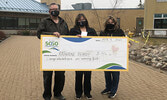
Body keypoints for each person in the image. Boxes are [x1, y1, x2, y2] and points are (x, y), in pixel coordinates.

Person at [37, 3, 69, 100]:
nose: (54, 10)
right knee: (47, 76)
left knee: (60, 76)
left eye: (56, 9)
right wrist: (52, 34)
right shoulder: (44, 21)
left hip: (60, 54)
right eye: (52, 9)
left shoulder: (63, 22)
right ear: (49, 11)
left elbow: (68, 35)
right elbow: (39, 33)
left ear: (59, 10)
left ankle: (58, 93)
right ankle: (47, 95)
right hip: (49, 54)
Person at [69, 13, 97, 100]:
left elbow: (97, 40)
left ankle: (87, 92)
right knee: (78, 75)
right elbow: (68, 41)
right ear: (77, 21)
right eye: (80, 20)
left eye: (83, 19)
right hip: (78, 57)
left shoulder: (91, 30)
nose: (81, 21)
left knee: (88, 76)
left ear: (86, 20)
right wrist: (74, 38)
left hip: (89, 56)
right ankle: (78, 93)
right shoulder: (73, 30)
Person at [100, 16, 125, 99]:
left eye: (112, 22)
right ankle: (108, 88)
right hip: (106, 57)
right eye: (108, 22)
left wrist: (127, 44)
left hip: (116, 57)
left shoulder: (119, 32)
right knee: (107, 74)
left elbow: (124, 42)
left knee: (115, 74)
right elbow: (98, 43)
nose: (110, 24)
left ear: (115, 23)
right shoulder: (103, 32)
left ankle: (114, 91)